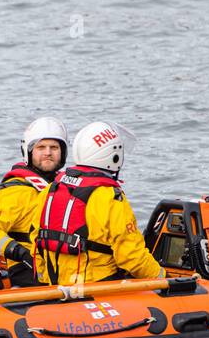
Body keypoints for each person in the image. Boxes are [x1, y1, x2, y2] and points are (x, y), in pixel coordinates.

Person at [32, 120, 165, 286]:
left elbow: (35, 238)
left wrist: (46, 281)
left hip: (55, 285)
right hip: (96, 287)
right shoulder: (110, 196)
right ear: (113, 155)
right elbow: (131, 255)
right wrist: (163, 277)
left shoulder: (51, 189)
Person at [0, 116, 67, 286]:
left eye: (54, 147)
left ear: (62, 152)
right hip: (28, 270)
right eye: (41, 147)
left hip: (61, 268)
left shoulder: (65, 186)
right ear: (29, 151)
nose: (48, 152)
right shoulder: (15, 190)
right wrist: (18, 252)